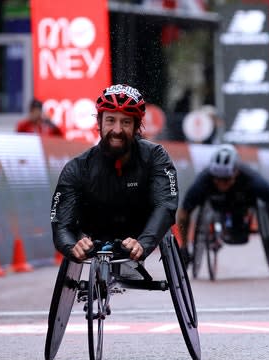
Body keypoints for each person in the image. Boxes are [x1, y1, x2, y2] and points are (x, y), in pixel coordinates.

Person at [50, 84, 179, 274]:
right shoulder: (78, 167)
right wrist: (71, 246)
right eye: (110, 120)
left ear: (136, 126)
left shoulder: (156, 157)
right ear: (99, 122)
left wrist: (143, 243)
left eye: (126, 122)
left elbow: (166, 205)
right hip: (97, 230)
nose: (117, 130)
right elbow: (61, 221)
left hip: (140, 230)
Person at [176, 144, 269, 261]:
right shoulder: (204, 179)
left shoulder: (250, 178)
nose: (221, 184)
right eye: (217, 178)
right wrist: (184, 246)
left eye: (226, 179)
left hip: (242, 205)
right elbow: (183, 212)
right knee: (185, 211)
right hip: (217, 205)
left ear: (236, 172)